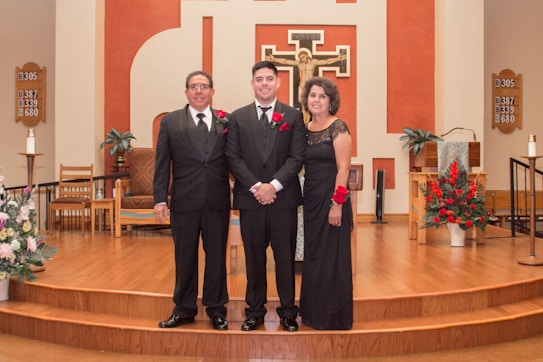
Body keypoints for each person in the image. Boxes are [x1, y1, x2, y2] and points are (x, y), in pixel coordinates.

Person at [225, 61, 306, 332]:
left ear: (278, 82)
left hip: (283, 200)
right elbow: (233, 158)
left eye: (269, 79)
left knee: (285, 258)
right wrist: (257, 187)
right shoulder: (237, 117)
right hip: (251, 200)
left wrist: (273, 186)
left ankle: (287, 312)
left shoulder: (293, 117)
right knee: (254, 258)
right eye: (259, 79)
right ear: (252, 84)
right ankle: (255, 312)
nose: (264, 83)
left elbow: (297, 157)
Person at [154, 71, 230, 331]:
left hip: (217, 201)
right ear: (186, 91)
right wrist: (159, 200)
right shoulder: (170, 122)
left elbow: (236, 160)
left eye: (204, 86)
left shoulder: (226, 121)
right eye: (194, 86)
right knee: (184, 256)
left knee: (216, 257)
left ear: (212, 91)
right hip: (184, 202)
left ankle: (217, 309)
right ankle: (184, 308)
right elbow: (162, 164)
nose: (199, 91)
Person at [299, 76, 353, 330]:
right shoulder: (305, 129)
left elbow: (344, 169)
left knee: (332, 256)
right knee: (314, 256)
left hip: (332, 198)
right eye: (312, 95)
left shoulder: (338, 127)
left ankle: (332, 316)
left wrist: (337, 204)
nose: (316, 100)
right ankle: (312, 313)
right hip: (310, 199)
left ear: (331, 101)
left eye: (322, 96)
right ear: (306, 100)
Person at [267, 49, 345, 121]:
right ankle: (305, 123)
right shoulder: (299, 63)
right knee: (304, 107)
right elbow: (286, 61)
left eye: (303, 57)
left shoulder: (313, 62)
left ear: (307, 56)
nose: (302, 59)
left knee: (312, 106)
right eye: (300, 58)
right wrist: (274, 59)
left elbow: (326, 61)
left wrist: (337, 59)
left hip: (310, 88)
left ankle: (309, 122)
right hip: (301, 87)